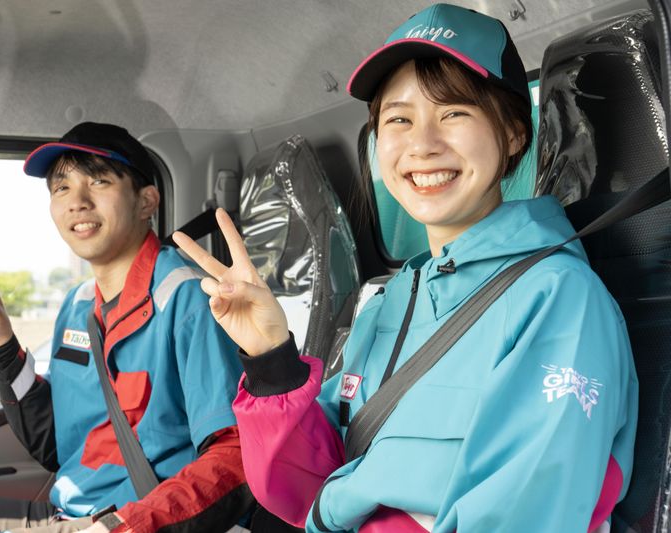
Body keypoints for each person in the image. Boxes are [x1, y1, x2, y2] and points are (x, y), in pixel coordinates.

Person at [172, 4, 638, 532]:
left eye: (454, 112)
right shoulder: (392, 300)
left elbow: (525, 514)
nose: (422, 144)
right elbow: (307, 489)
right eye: (398, 119)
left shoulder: (559, 299)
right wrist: (271, 359)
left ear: (512, 133)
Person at [0, 122, 253, 532]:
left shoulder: (191, 298)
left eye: (99, 181)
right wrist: (0, 347)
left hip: (132, 521)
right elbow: (55, 448)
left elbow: (236, 457)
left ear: (146, 201)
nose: (77, 202)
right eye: (61, 188)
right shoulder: (78, 305)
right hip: (67, 515)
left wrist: (121, 526)